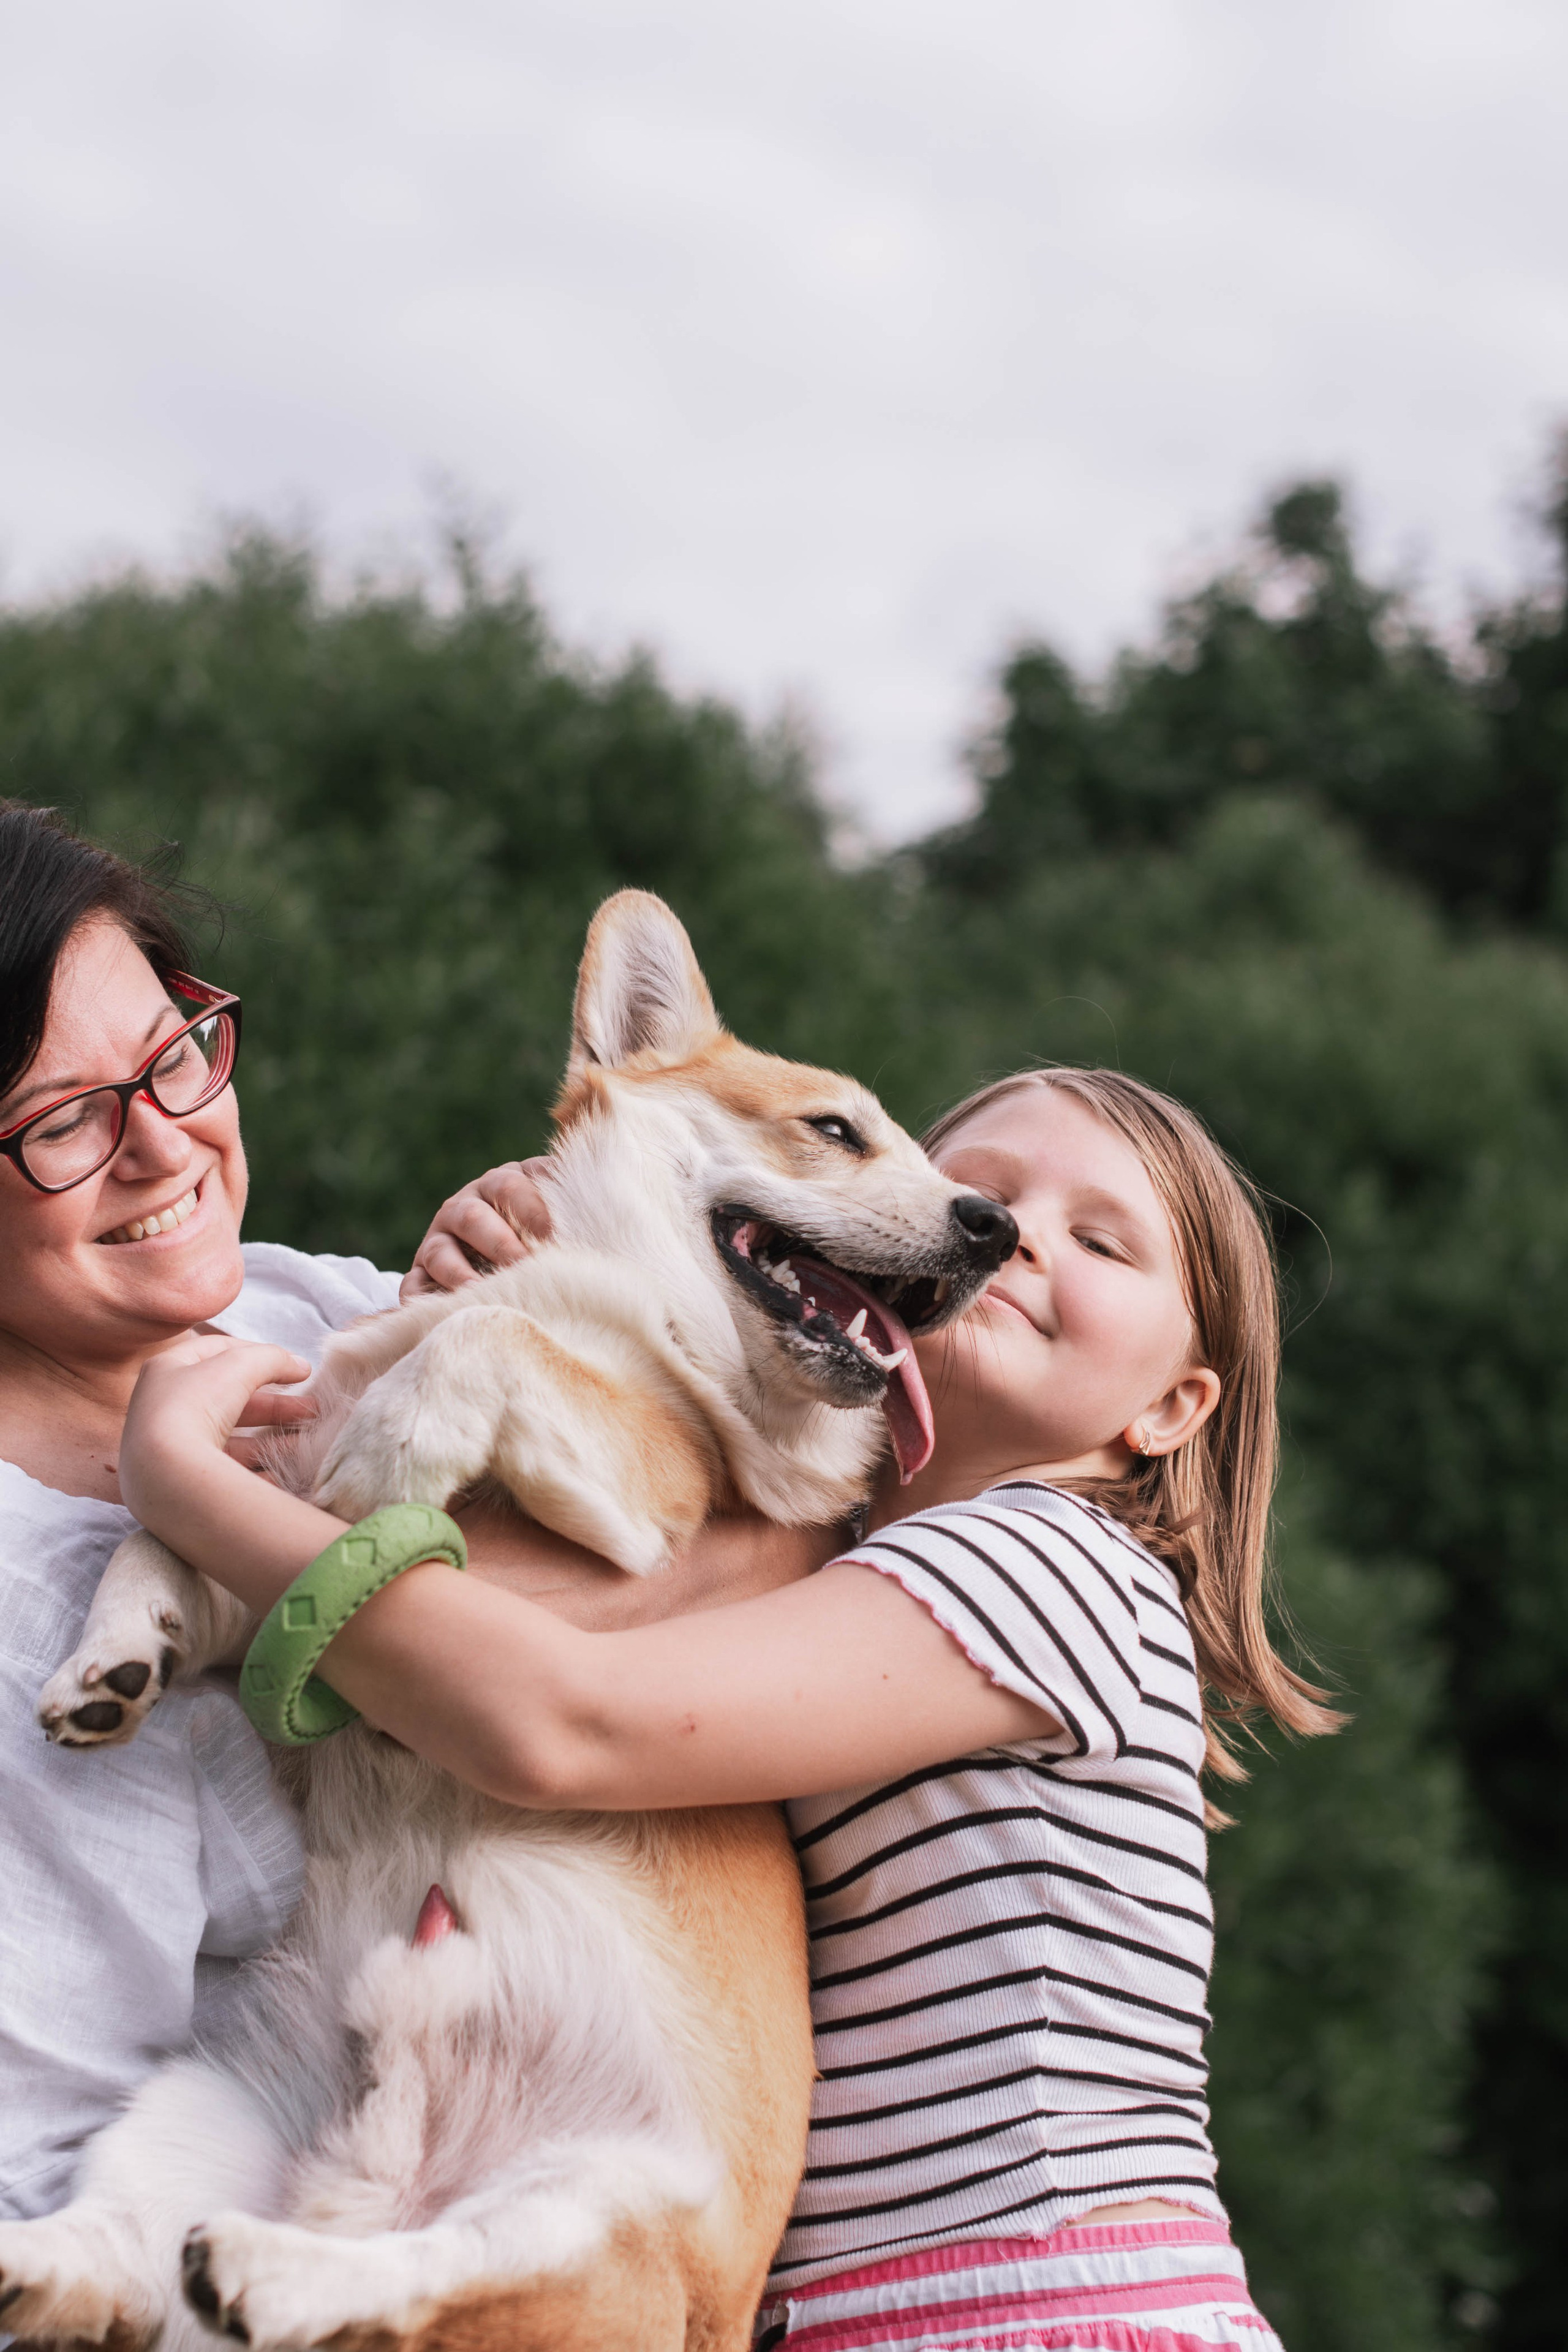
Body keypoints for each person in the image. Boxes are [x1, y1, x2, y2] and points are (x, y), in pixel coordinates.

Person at [121, 1058, 1340, 2350]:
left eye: (1100, 1242)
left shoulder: (1049, 1563)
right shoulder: (829, 1555)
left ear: (1169, 1406)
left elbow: (556, 1715)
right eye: (973, 1195)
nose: (1016, 1234)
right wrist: (483, 1282)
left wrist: (185, 1486)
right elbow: (545, 1582)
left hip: (1038, 2307)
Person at [0, 801, 804, 2231]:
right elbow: (40, 2156)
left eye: (172, 1054)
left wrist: (539, 1301)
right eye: (64, 1119)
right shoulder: (18, 1585)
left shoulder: (319, 1305)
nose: (162, 1145)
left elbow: (769, 1559)